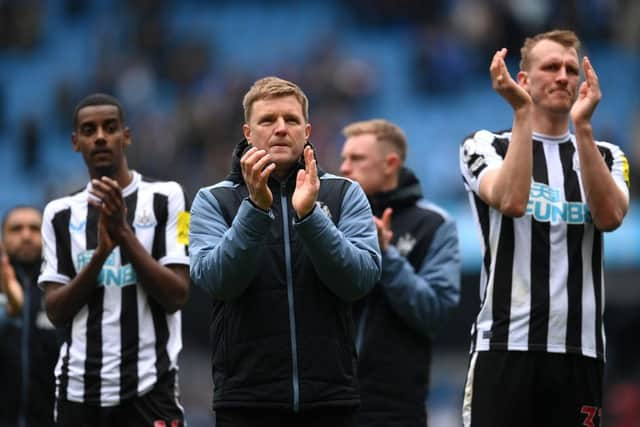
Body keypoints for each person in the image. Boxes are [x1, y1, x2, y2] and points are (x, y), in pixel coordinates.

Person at [459, 29, 630, 427]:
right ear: (523, 80)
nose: (563, 77)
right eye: (551, 67)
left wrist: (583, 129)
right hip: (504, 347)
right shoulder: (484, 146)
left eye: (572, 69)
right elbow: (512, 200)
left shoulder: (607, 154)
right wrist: (522, 114)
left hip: (580, 351)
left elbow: (609, 218)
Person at [189, 76, 381, 427]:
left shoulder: (344, 194)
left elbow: (360, 280)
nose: (280, 129)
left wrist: (309, 216)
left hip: (331, 401)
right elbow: (216, 281)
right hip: (245, 402)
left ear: (307, 131)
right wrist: (255, 209)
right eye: (267, 121)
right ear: (248, 133)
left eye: (291, 120)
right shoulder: (211, 200)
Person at [38, 93, 191, 427]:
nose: (101, 137)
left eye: (110, 127)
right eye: (89, 130)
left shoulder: (172, 198)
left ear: (127, 135)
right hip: (79, 392)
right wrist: (101, 256)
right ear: (75, 142)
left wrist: (124, 235)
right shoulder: (57, 215)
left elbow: (177, 294)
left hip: (152, 389)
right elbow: (55, 310)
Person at [340, 119, 461, 427]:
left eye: (356, 159)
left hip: (394, 407)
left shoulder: (433, 224)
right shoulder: (330, 220)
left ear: (390, 164)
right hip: (328, 402)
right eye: (344, 158)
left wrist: (386, 255)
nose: (344, 168)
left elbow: (433, 310)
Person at [0, 206, 60, 427]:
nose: (26, 236)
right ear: (2, 239)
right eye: (16, 229)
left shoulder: (62, 287)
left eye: (35, 229)